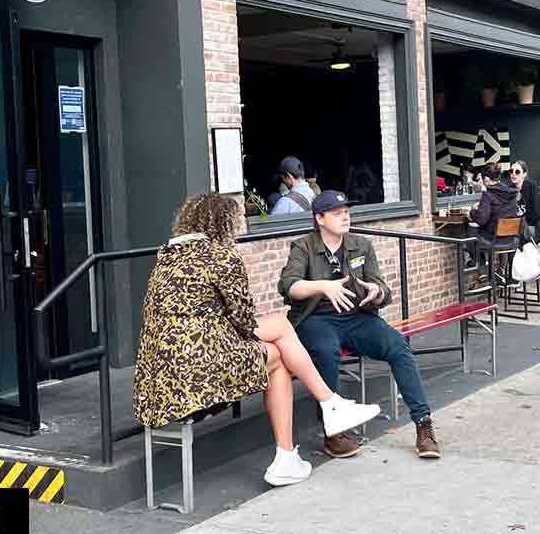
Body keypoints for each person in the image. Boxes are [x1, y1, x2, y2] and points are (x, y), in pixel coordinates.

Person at [133, 193, 380, 488]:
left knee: (276, 346)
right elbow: (243, 321)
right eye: (237, 222)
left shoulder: (167, 257)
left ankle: (326, 414)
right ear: (224, 224)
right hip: (198, 368)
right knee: (278, 342)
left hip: (156, 374)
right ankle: (321, 416)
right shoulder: (221, 257)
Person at [280, 190, 441, 460]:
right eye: (337, 213)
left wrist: (376, 292)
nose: (345, 217)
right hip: (316, 319)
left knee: (397, 345)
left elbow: (382, 288)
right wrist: (323, 287)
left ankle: (424, 425)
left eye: (346, 212)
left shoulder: (361, 245)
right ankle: (333, 433)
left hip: (357, 318)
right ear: (319, 218)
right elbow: (288, 286)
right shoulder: (304, 246)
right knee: (326, 351)